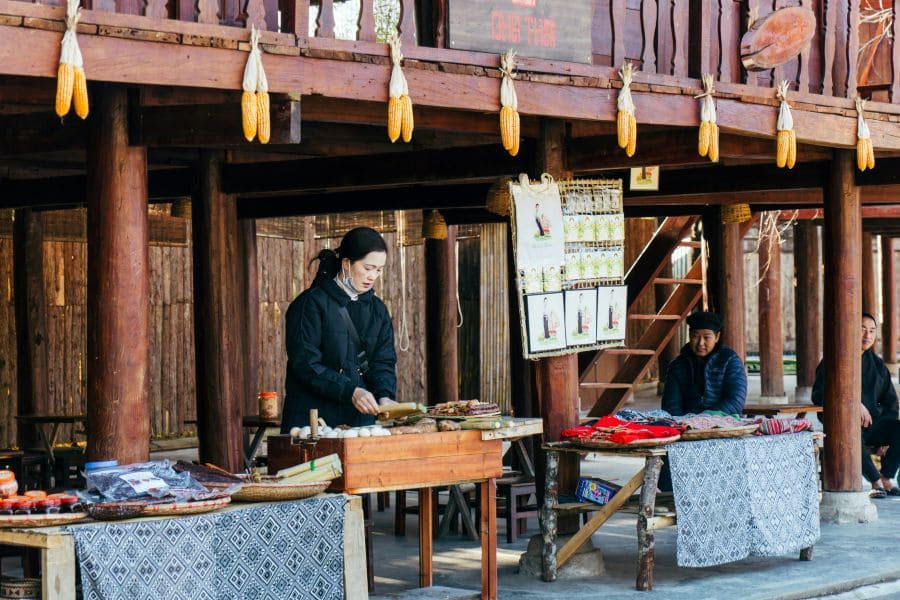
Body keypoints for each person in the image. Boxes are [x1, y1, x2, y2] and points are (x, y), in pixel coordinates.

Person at [281, 227, 397, 431]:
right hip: (312, 423)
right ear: (346, 263)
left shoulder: (378, 310)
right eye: (368, 268)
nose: (373, 276)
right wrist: (350, 391)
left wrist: (384, 395)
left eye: (379, 270)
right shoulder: (309, 304)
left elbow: (383, 361)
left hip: (360, 424)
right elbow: (306, 363)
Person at [812, 313, 900, 498]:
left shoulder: (877, 364)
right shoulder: (833, 360)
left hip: (873, 425)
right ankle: (875, 481)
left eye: (872, 331)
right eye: (862, 329)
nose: (867, 335)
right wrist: (852, 403)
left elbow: (890, 402)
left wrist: (885, 436)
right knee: (850, 431)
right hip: (843, 425)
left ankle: (887, 477)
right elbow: (819, 395)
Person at [661, 311, 748, 416]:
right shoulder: (677, 365)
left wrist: (705, 418)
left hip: (723, 421)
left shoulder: (730, 360)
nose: (700, 343)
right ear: (690, 335)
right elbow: (670, 406)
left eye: (706, 337)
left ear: (717, 337)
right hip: (686, 423)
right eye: (695, 336)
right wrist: (683, 423)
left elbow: (736, 401)